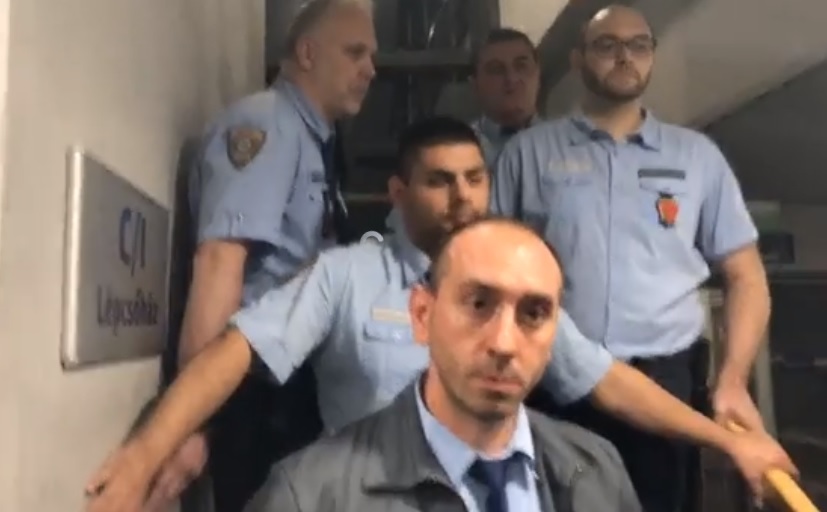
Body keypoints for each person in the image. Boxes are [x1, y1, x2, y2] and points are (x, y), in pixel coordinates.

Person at [84, 117, 794, 512]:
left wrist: (726, 441)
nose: (462, 197)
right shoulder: (346, 276)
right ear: (398, 192)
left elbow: (609, 381)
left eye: (475, 178)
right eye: (440, 181)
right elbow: (233, 353)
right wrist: (145, 455)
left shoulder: (516, 291)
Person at [492, 5, 773, 511]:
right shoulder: (528, 154)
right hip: (557, 380)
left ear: (652, 56)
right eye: (607, 45)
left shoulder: (697, 157)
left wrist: (733, 379)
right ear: (577, 59)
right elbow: (492, 268)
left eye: (639, 45)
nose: (625, 56)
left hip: (664, 382)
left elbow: (746, 276)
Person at [139, 1, 377, 511]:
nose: (370, 70)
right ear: (308, 53)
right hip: (252, 392)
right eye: (355, 52)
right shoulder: (268, 126)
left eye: (372, 57)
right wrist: (194, 423)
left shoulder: (316, 144)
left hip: (287, 391)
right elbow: (219, 265)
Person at [246, 216, 643, 512]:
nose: (504, 343)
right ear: (422, 315)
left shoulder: (597, 469)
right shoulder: (310, 495)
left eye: (533, 313)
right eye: (478, 304)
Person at [470, 28, 542, 164]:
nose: (511, 79)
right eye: (496, 70)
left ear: (538, 74)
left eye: (521, 66)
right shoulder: (457, 150)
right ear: (475, 85)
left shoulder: (566, 146)